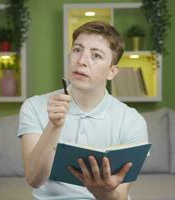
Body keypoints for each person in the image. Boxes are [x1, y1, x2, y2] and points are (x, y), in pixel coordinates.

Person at [18, 21, 148, 200]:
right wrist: (54, 126)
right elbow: (33, 179)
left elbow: (121, 196)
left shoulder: (133, 121)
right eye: (77, 50)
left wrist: (103, 193)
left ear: (112, 72)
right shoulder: (33, 106)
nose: (81, 61)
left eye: (96, 55)